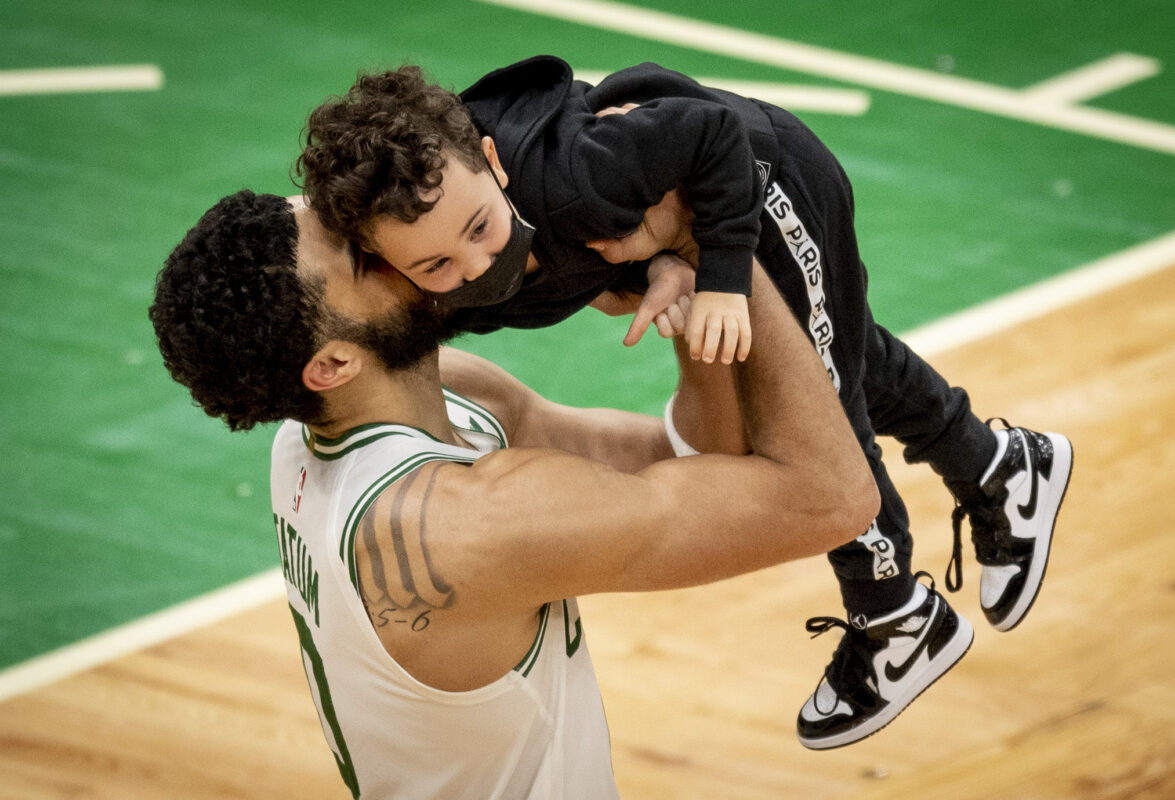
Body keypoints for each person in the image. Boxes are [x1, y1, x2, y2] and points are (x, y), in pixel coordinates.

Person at [295, 56, 1075, 750]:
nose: (478, 263)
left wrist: (720, 274)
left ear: (495, 164)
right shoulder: (434, 269)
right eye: (437, 263)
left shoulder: (575, 177)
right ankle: (1001, 466)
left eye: (480, 229)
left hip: (758, 180)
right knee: (842, 351)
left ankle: (895, 615)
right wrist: (659, 266)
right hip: (688, 207)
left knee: (821, 395)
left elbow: (709, 135)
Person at [148, 190, 878, 799]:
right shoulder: (463, 526)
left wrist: (679, 272)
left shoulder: (390, 415)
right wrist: (716, 234)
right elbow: (831, 497)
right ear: (334, 361)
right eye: (358, 252)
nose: (385, 228)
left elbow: (700, 459)